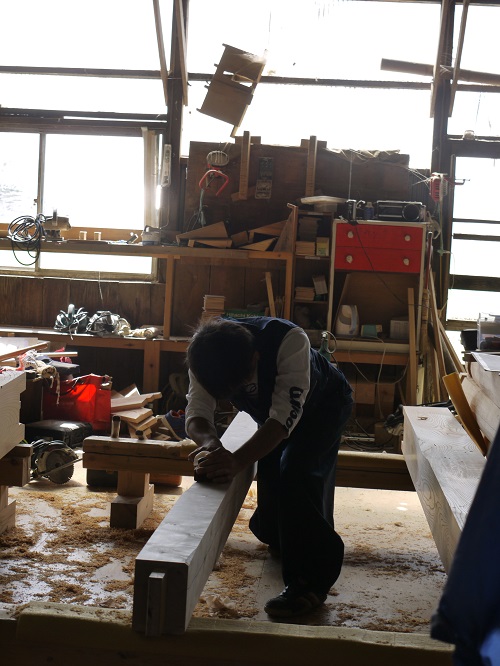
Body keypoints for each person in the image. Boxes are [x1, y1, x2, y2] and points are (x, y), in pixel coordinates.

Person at [185, 316, 353, 619]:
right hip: (274, 415)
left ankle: (310, 582)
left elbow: (281, 421)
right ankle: (280, 537)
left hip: (323, 407)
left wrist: (236, 461)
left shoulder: (289, 341)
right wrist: (212, 446)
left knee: (297, 473)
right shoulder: (206, 355)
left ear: (255, 358)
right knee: (273, 477)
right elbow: (197, 413)